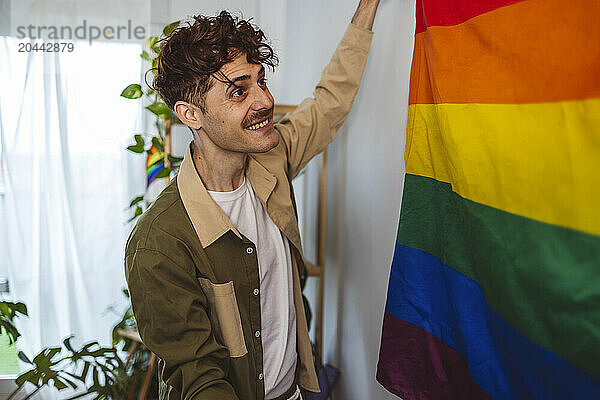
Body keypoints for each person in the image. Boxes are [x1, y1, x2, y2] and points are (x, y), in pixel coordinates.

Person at [124, 1, 380, 399]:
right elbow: (199, 379)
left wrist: (368, 6)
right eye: (238, 91)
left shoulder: (270, 160)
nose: (264, 100)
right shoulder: (160, 242)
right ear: (191, 114)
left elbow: (329, 103)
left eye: (261, 81)